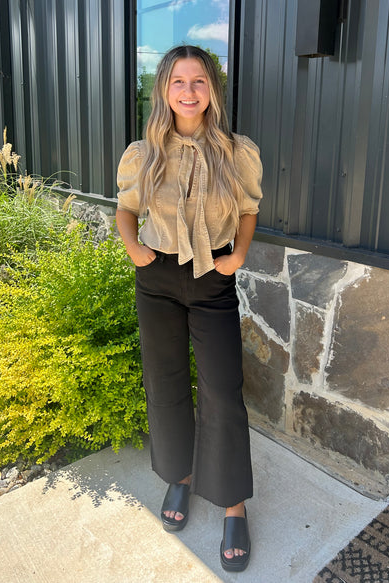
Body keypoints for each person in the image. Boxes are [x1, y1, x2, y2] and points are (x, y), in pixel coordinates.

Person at [116, 45, 262, 572]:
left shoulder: (236, 150)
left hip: (212, 277)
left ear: (211, 90)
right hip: (157, 278)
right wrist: (135, 250)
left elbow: (248, 210)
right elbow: (126, 210)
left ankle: (233, 505)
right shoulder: (144, 151)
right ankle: (180, 478)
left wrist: (239, 255)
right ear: (164, 90)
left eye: (198, 81)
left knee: (223, 390)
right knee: (166, 382)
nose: (189, 91)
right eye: (178, 81)